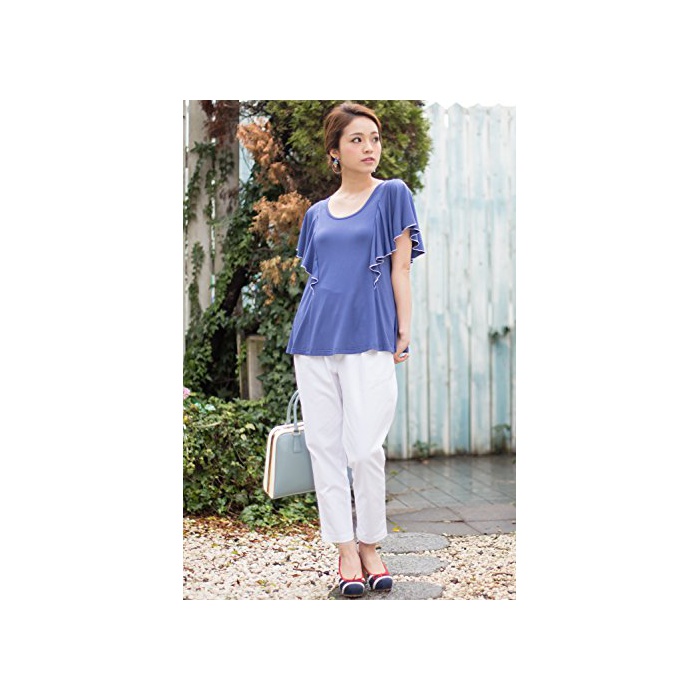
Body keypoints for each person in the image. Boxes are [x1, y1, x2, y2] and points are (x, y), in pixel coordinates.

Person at [285, 102, 426, 598]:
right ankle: (347, 552)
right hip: (314, 340)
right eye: (357, 140)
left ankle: (370, 543)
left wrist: (403, 328)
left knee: (365, 449)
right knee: (325, 449)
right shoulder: (316, 214)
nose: (369, 148)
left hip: (370, 337)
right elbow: (318, 277)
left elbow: (401, 268)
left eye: (374, 138)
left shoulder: (392, 194)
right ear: (334, 151)